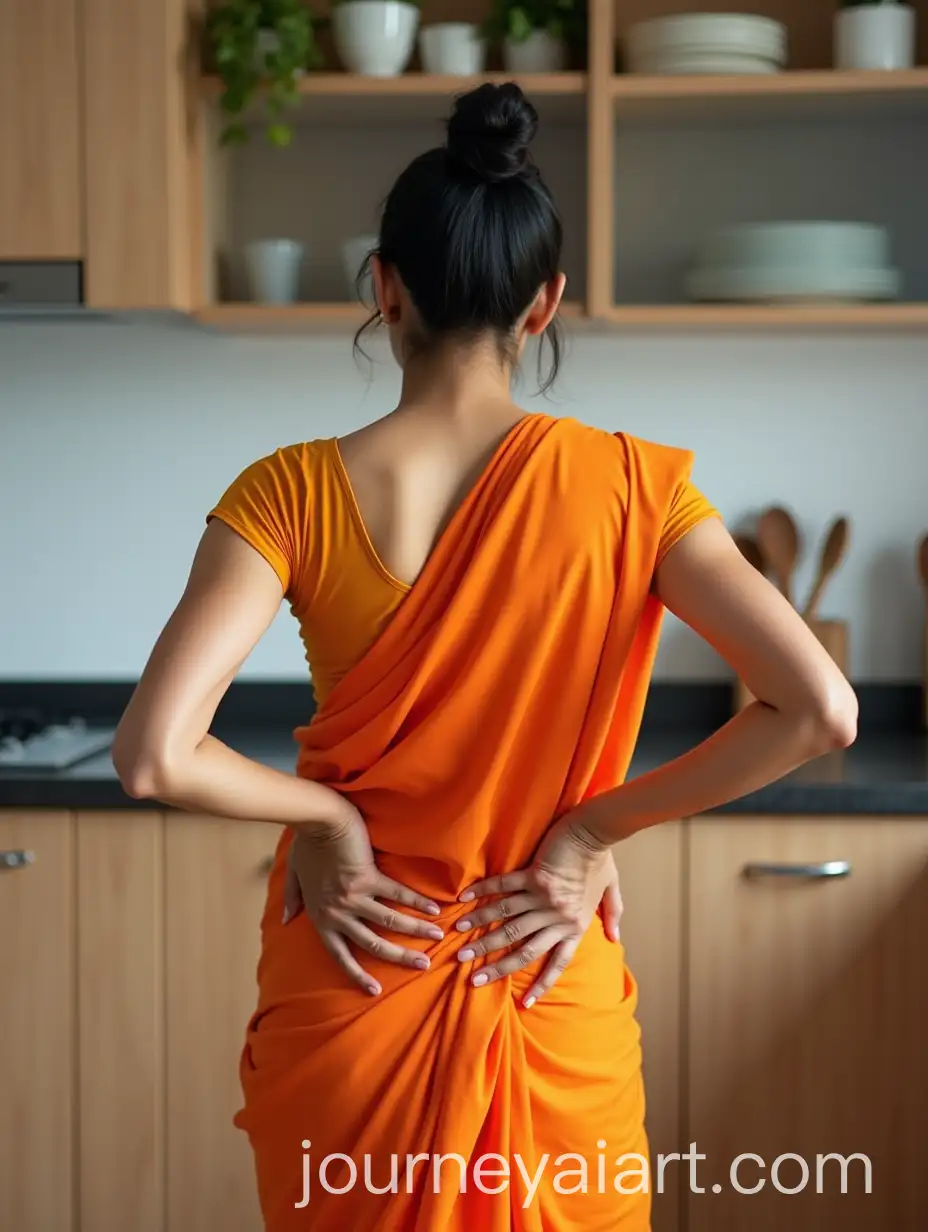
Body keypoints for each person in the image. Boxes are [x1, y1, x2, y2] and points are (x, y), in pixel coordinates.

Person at [113, 83, 857, 1232]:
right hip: (543, 972)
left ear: (383, 286)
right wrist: (590, 830)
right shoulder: (633, 490)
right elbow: (817, 709)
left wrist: (325, 818)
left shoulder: (289, 490)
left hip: (354, 981)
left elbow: (156, 755)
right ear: (545, 303)